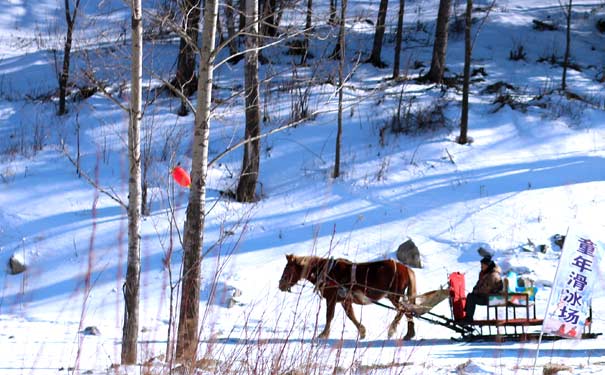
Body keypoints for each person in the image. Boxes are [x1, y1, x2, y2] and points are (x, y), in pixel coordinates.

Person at [462, 255, 503, 323]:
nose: (481, 267)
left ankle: (468, 318)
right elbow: (479, 285)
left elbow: (485, 289)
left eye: (482, 266)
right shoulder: (487, 274)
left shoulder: (493, 275)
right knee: (470, 296)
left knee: (471, 298)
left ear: (487, 265)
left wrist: (476, 292)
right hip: (489, 297)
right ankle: (467, 316)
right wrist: (475, 291)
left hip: (493, 298)